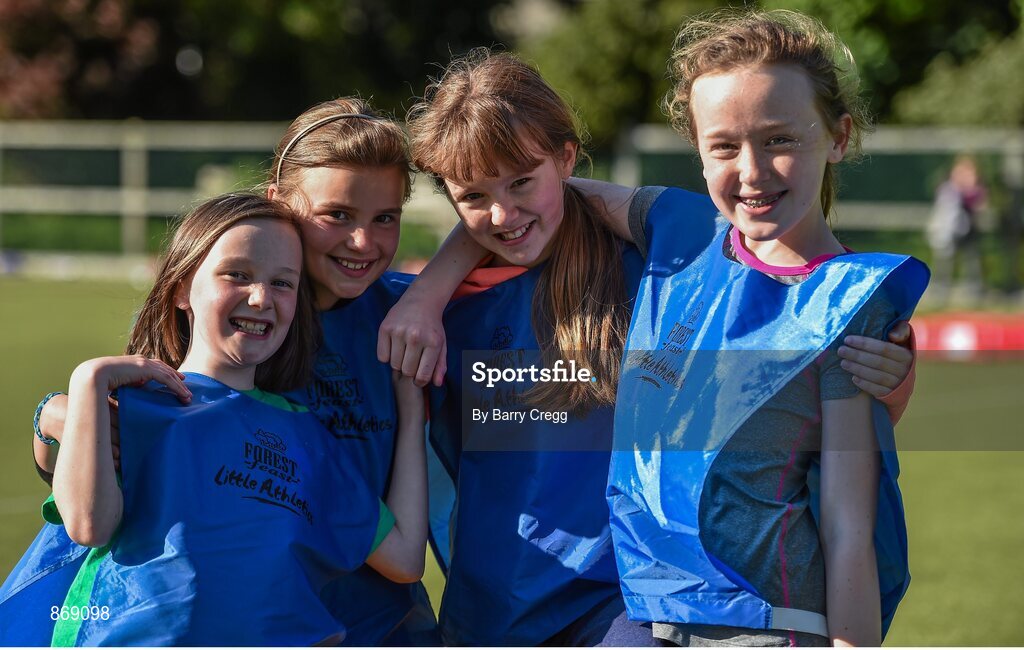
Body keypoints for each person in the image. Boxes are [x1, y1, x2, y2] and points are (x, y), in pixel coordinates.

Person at [377, 48, 918, 646]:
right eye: (472, 197)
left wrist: (892, 381)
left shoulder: (665, 266)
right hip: (489, 613)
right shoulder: (431, 314)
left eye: (524, 181)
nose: (504, 212)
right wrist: (427, 293)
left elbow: (783, 377)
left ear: (566, 159)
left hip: (630, 612)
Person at [24, 97, 475, 646]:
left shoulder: (406, 318)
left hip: (374, 620)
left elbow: (506, 219)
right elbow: (101, 468)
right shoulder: (233, 318)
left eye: (386, 218)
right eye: (336, 215)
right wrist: (56, 412)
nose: (363, 241)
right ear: (279, 202)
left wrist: (428, 292)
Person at [601, 10, 928, 646]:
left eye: (779, 139)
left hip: (763, 628)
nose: (750, 170)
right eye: (723, 145)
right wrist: (432, 291)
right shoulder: (680, 232)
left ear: (838, 136)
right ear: (696, 149)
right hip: (641, 622)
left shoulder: (851, 304)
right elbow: (532, 198)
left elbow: (847, 523)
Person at [927, 155, 986, 300]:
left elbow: (981, 204)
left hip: (969, 230)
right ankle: (940, 288)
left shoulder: (975, 191)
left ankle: (973, 289)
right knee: (944, 260)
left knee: (971, 259)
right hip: (948, 230)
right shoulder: (947, 188)